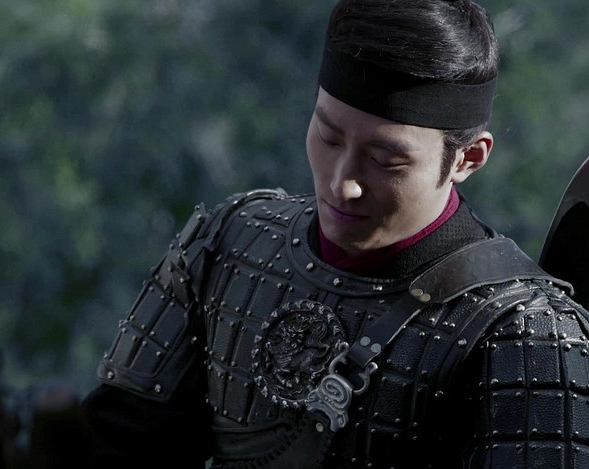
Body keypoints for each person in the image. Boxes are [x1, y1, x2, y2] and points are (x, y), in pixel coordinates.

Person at [81, 0, 589, 467]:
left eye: (386, 160)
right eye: (328, 136)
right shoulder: (228, 243)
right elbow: (121, 445)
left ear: (467, 158)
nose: (343, 184)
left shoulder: (526, 335)